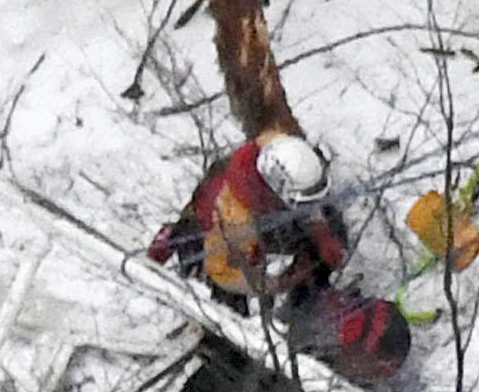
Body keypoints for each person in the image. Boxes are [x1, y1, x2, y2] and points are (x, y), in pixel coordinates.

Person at [149, 130, 348, 304]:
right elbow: (222, 273)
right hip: (212, 235)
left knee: (330, 224)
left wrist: (321, 232)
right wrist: (277, 284)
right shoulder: (235, 220)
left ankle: (307, 302)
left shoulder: (277, 147)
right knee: (229, 300)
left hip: (262, 207)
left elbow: (305, 199)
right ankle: (175, 238)